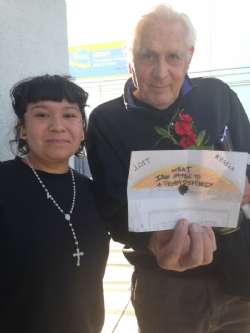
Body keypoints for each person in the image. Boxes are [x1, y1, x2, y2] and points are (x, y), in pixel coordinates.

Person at [86, 4, 250, 333]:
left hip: (241, 279)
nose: (160, 72)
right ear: (128, 56)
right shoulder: (105, 120)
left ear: (189, 56)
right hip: (165, 288)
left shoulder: (218, 95)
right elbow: (113, 210)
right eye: (148, 56)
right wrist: (152, 241)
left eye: (173, 57)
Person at [0, 74, 109, 333]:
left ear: (82, 129)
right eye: (41, 115)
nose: (57, 126)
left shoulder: (95, 192)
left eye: (69, 115)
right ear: (23, 129)